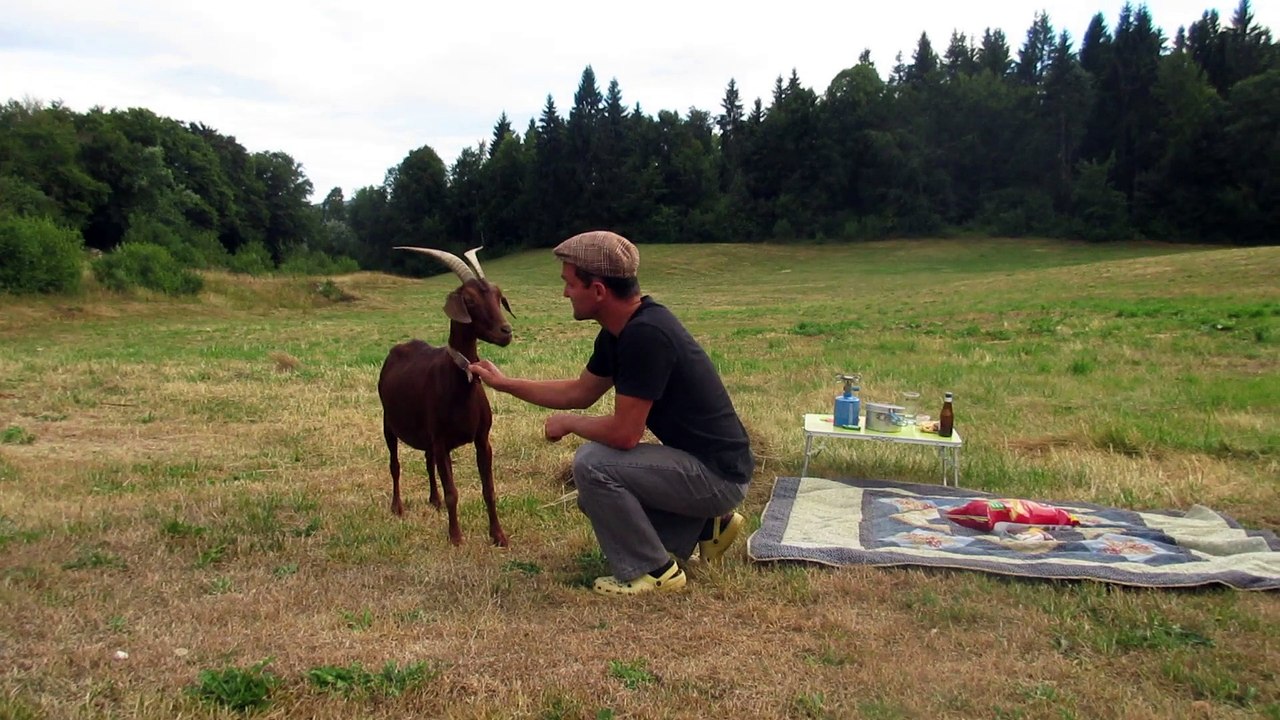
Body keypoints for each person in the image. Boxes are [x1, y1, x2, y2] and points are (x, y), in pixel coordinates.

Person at [468, 230, 754, 596]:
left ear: (599, 291)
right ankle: (707, 528)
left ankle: (655, 571)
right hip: (710, 468)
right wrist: (506, 383)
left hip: (720, 478)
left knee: (593, 463)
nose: (564, 293)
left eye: (570, 284)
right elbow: (580, 391)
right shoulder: (620, 332)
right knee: (594, 494)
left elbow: (625, 434)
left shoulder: (645, 336)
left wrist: (570, 424)